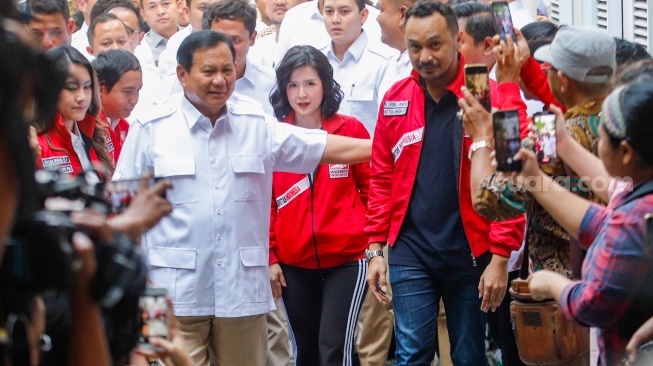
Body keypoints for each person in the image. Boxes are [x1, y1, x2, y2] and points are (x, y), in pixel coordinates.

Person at [114, 30, 372, 366]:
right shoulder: (151, 127)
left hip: (241, 293)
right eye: (209, 71)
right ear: (181, 74)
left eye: (228, 70)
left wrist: (386, 148)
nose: (220, 80)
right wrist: (137, 293)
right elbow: (122, 206)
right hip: (171, 294)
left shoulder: (254, 122)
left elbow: (319, 146)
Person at [364, 1, 525, 364]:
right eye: (415, 46)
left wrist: (501, 257)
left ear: (459, 39)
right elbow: (382, 176)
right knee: (412, 353)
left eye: (435, 45)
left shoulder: (491, 94)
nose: (424, 57)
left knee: (469, 355)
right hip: (410, 251)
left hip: (472, 251)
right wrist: (375, 248)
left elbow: (512, 178)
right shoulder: (395, 98)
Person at [509, 80, 653, 366]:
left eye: (600, 139)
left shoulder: (634, 218)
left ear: (625, 152)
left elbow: (591, 304)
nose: (597, 146)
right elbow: (604, 221)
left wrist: (552, 285)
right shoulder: (639, 196)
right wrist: (560, 147)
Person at [267, 45, 369, 366]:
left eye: (310, 83)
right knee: (305, 352)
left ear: (325, 84)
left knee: (334, 349)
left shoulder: (350, 130)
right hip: (293, 264)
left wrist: (369, 240)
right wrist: (270, 258)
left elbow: (373, 188)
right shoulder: (274, 136)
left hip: (347, 260)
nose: (302, 94)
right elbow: (265, 204)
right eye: (293, 85)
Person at [33, 46, 114, 180]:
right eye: (71, 88)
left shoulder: (96, 133)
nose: (82, 97)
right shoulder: (36, 145)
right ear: (48, 90)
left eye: (87, 87)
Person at [319, 0, 392, 136]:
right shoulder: (315, 61)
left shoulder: (383, 62)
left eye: (344, 11)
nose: (335, 19)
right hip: (324, 154)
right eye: (329, 12)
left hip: (367, 154)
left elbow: (391, 124)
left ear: (363, 16)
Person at [202, 0, 276, 115]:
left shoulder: (272, 85)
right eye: (219, 38)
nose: (226, 48)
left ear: (252, 38)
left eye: (235, 40)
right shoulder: (188, 82)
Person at [92, 48, 142, 162]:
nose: (134, 100)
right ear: (100, 90)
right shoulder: (89, 131)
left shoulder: (124, 126)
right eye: (127, 92)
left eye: (138, 90)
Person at [141, 0, 181, 65]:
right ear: (143, 14)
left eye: (166, 3)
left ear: (179, 6)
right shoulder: (141, 49)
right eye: (152, 6)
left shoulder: (192, 36)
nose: (160, 12)